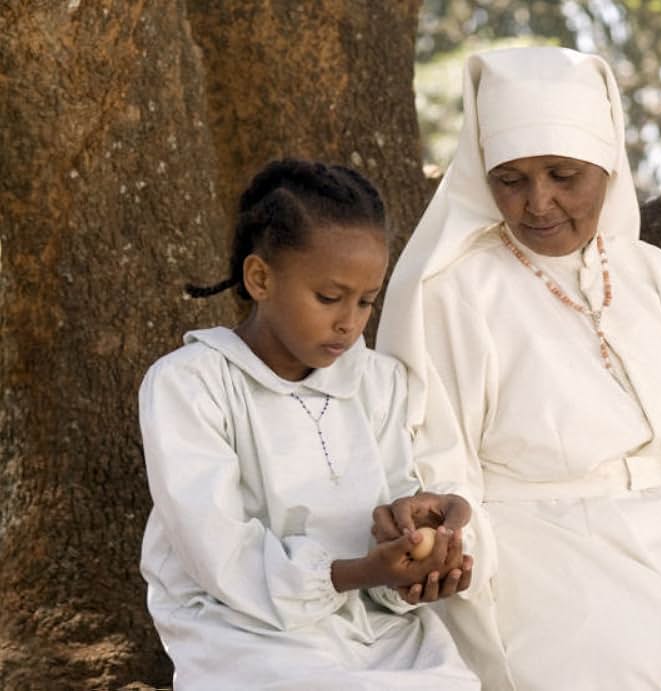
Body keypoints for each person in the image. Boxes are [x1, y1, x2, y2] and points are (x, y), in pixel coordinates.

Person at [376, 47, 661, 691]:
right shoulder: (456, 288)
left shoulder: (660, 278)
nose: (537, 203)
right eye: (510, 179)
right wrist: (455, 548)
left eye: (563, 174)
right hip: (540, 565)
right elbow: (439, 463)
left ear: (608, 164)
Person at [138, 159, 480, 690]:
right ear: (260, 278)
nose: (349, 321)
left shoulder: (378, 382)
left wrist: (422, 545)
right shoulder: (189, 384)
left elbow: (394, 504)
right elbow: (217, 551)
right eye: (328, 298)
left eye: (367, 301)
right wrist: (360, 572)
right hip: (244, 628)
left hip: (375, 628)